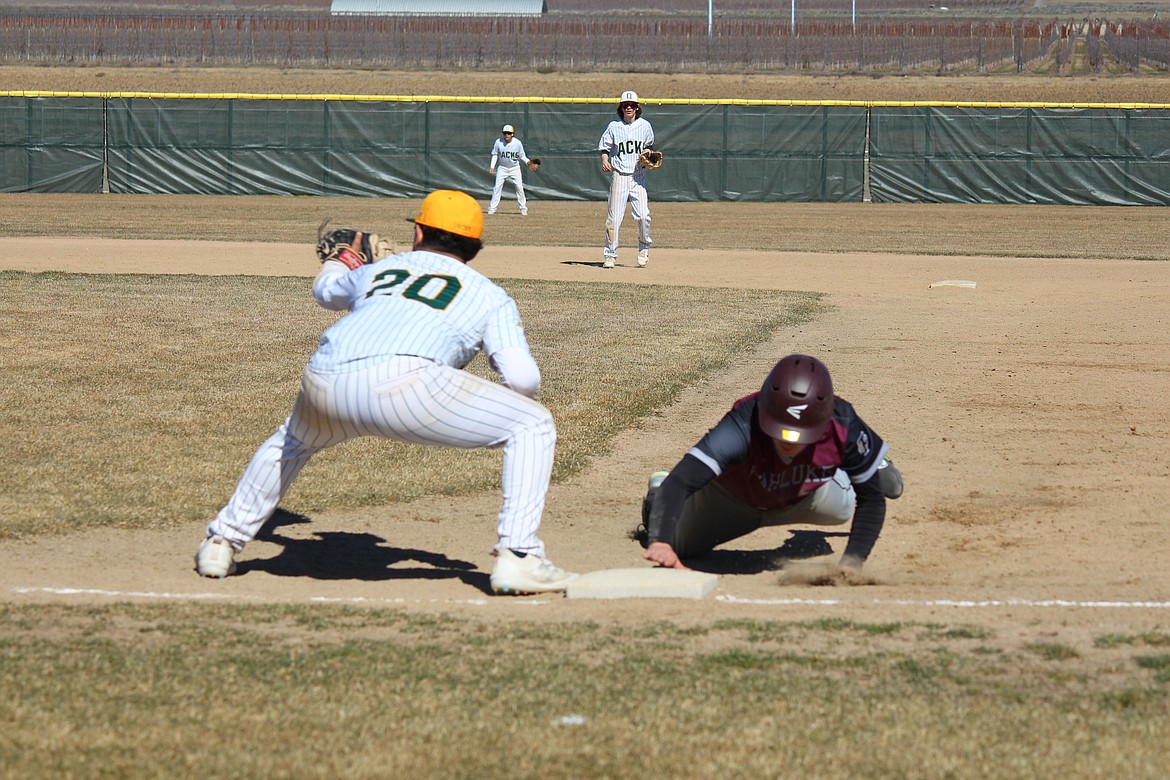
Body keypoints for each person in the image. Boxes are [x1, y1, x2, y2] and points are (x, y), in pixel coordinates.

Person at [195, 189, 578, 595]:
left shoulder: (383, 268)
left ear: (417, 231)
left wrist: (341, 260)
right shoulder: (490, 295)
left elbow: (325, 292)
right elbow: (523, 381)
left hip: (325, 376)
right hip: (408, 383)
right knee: (533, 424)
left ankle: (221, 543)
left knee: (291, 442)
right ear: (476, 248)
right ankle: (519, 556)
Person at [639, 354, 903, 571]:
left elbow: (871, 500)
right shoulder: (742, 424)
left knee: (843, 509)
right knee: (676, 543)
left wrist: (851, 564)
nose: (789, 442)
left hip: (804, 497)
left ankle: (870, 461)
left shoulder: (842, 424)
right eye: (780, 430)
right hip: (732, 501)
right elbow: (681, 480)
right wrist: (661, 541)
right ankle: (657, 491)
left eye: (802, 435)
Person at [597, 90, 656, 269]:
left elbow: (649, 146)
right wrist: (605, 160)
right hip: (619, 176)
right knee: (614, 219)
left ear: (637, 107)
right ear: (621, 108)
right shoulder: (614, 126)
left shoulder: (645, 126)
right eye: (625, 105)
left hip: (638, 176)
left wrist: (648, 153)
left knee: (643, 216)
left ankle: (644, 248)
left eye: (632, 105)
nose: (628, 107)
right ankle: (610, 255)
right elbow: (604, 148)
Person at [487, 124, 533, 216]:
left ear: (512, 134)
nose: (506, 135)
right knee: (497, 188)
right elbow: (495, 154)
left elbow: (522, 156)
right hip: (502, 168)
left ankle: (523, 208)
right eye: (505, 133)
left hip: (514, 168)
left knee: (519, 187)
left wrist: (529, 162)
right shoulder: (498, 142)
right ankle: (492, 208)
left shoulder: (517, 143)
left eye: (509, 133)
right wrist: (492, 166)